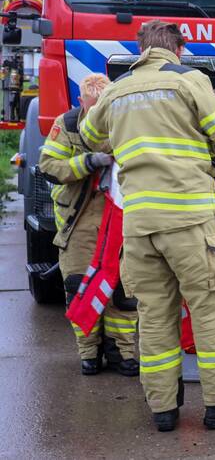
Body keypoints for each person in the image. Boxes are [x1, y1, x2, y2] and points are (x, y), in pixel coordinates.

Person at [80, 20, 215, 432]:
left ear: (141, 47)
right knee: (210, 309)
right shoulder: (189, 80)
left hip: (140, 224)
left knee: (155, 314)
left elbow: (90, 136)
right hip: (188, 219)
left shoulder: (116, 88)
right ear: (178, 48)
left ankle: (163, 409)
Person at [39, 72, 139, 377]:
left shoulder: (127, 123)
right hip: (79, 221)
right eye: (92, 106)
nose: (98, 113)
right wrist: (87, 163)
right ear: (81, 101)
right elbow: (49, 166)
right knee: (80, 287)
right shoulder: (67, 124)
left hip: (119, 220)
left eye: (103, 106)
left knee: (123, 292)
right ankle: (89, 353)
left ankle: (121, 352)